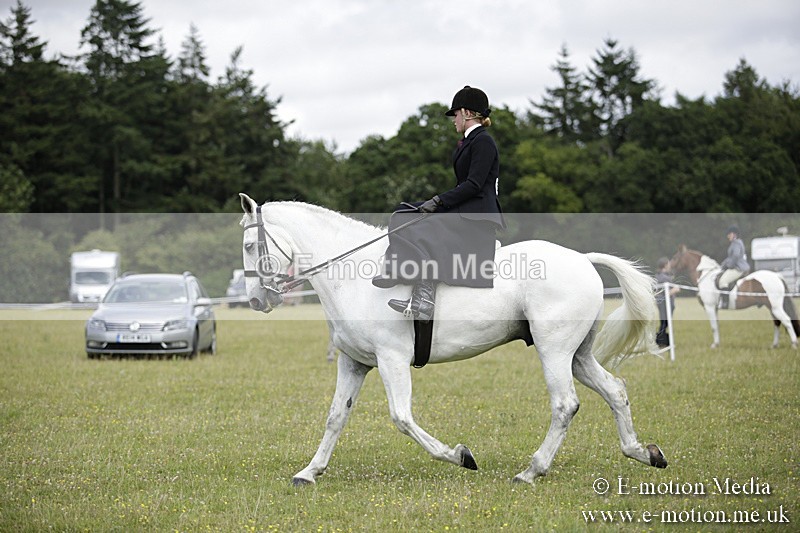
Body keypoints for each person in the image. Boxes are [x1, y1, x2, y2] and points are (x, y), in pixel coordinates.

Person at [372, 85, 505, 320]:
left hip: (477, 216)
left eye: (455, 115)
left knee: (425, 228)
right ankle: (394, 268)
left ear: (466, 112)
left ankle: (424, 299)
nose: (453, 120)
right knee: (403, 212)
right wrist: (438, 202)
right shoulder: (469, 141)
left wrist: (439, 201)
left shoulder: (483, 141)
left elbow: (474, 185)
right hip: (465, 210)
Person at [718, 225, 750, 309]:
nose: (728, 236)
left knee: (722, 281)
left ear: (734, 234)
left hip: (738, 268)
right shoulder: (735, 243)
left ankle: (725, 303)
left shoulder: (736, 243)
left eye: (729, 234)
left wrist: (729, 265)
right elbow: (730, 257)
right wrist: (722, 265)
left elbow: (735, 256)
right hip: (736, 266)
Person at [654, 257, 679, 347]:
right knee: (665, 324)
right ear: (665, 265)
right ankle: (659, 341)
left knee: (664, 323)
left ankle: (662, 341)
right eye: (668, 264)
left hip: (661, 304)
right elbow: (666, 293)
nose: (670, 266)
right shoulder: (665, 278)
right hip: (665, 304)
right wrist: (675, 289)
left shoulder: (658, 276)